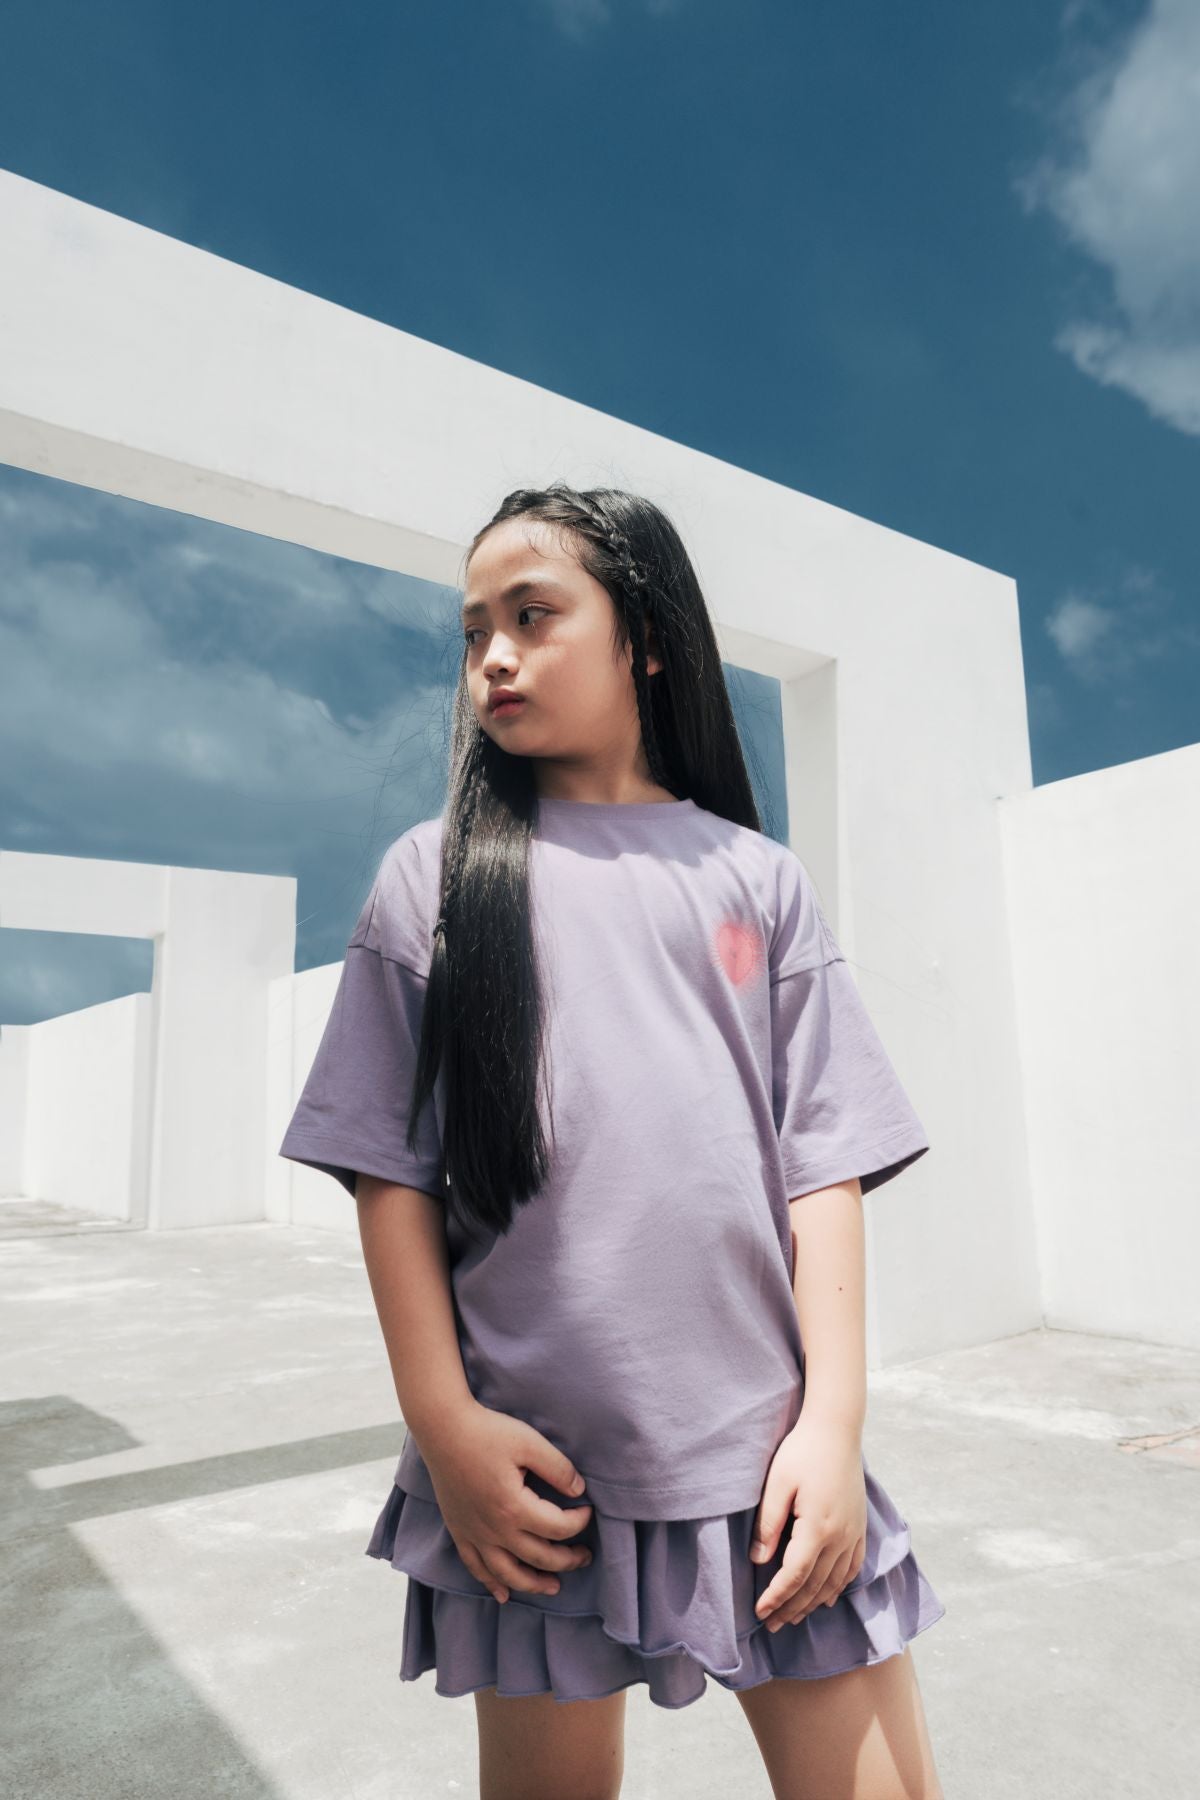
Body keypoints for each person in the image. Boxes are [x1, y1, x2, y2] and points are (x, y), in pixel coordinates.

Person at [278, 483, 947, 1800]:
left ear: (643, 634)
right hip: (533, 1479)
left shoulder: (754, 884)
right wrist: (445, 1423)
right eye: (474, 632)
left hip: (768, 1467)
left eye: (533, 615)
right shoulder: (433, 882)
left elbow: (823, 1162)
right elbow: (389, 1171)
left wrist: (833, 1424)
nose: (495, 659)